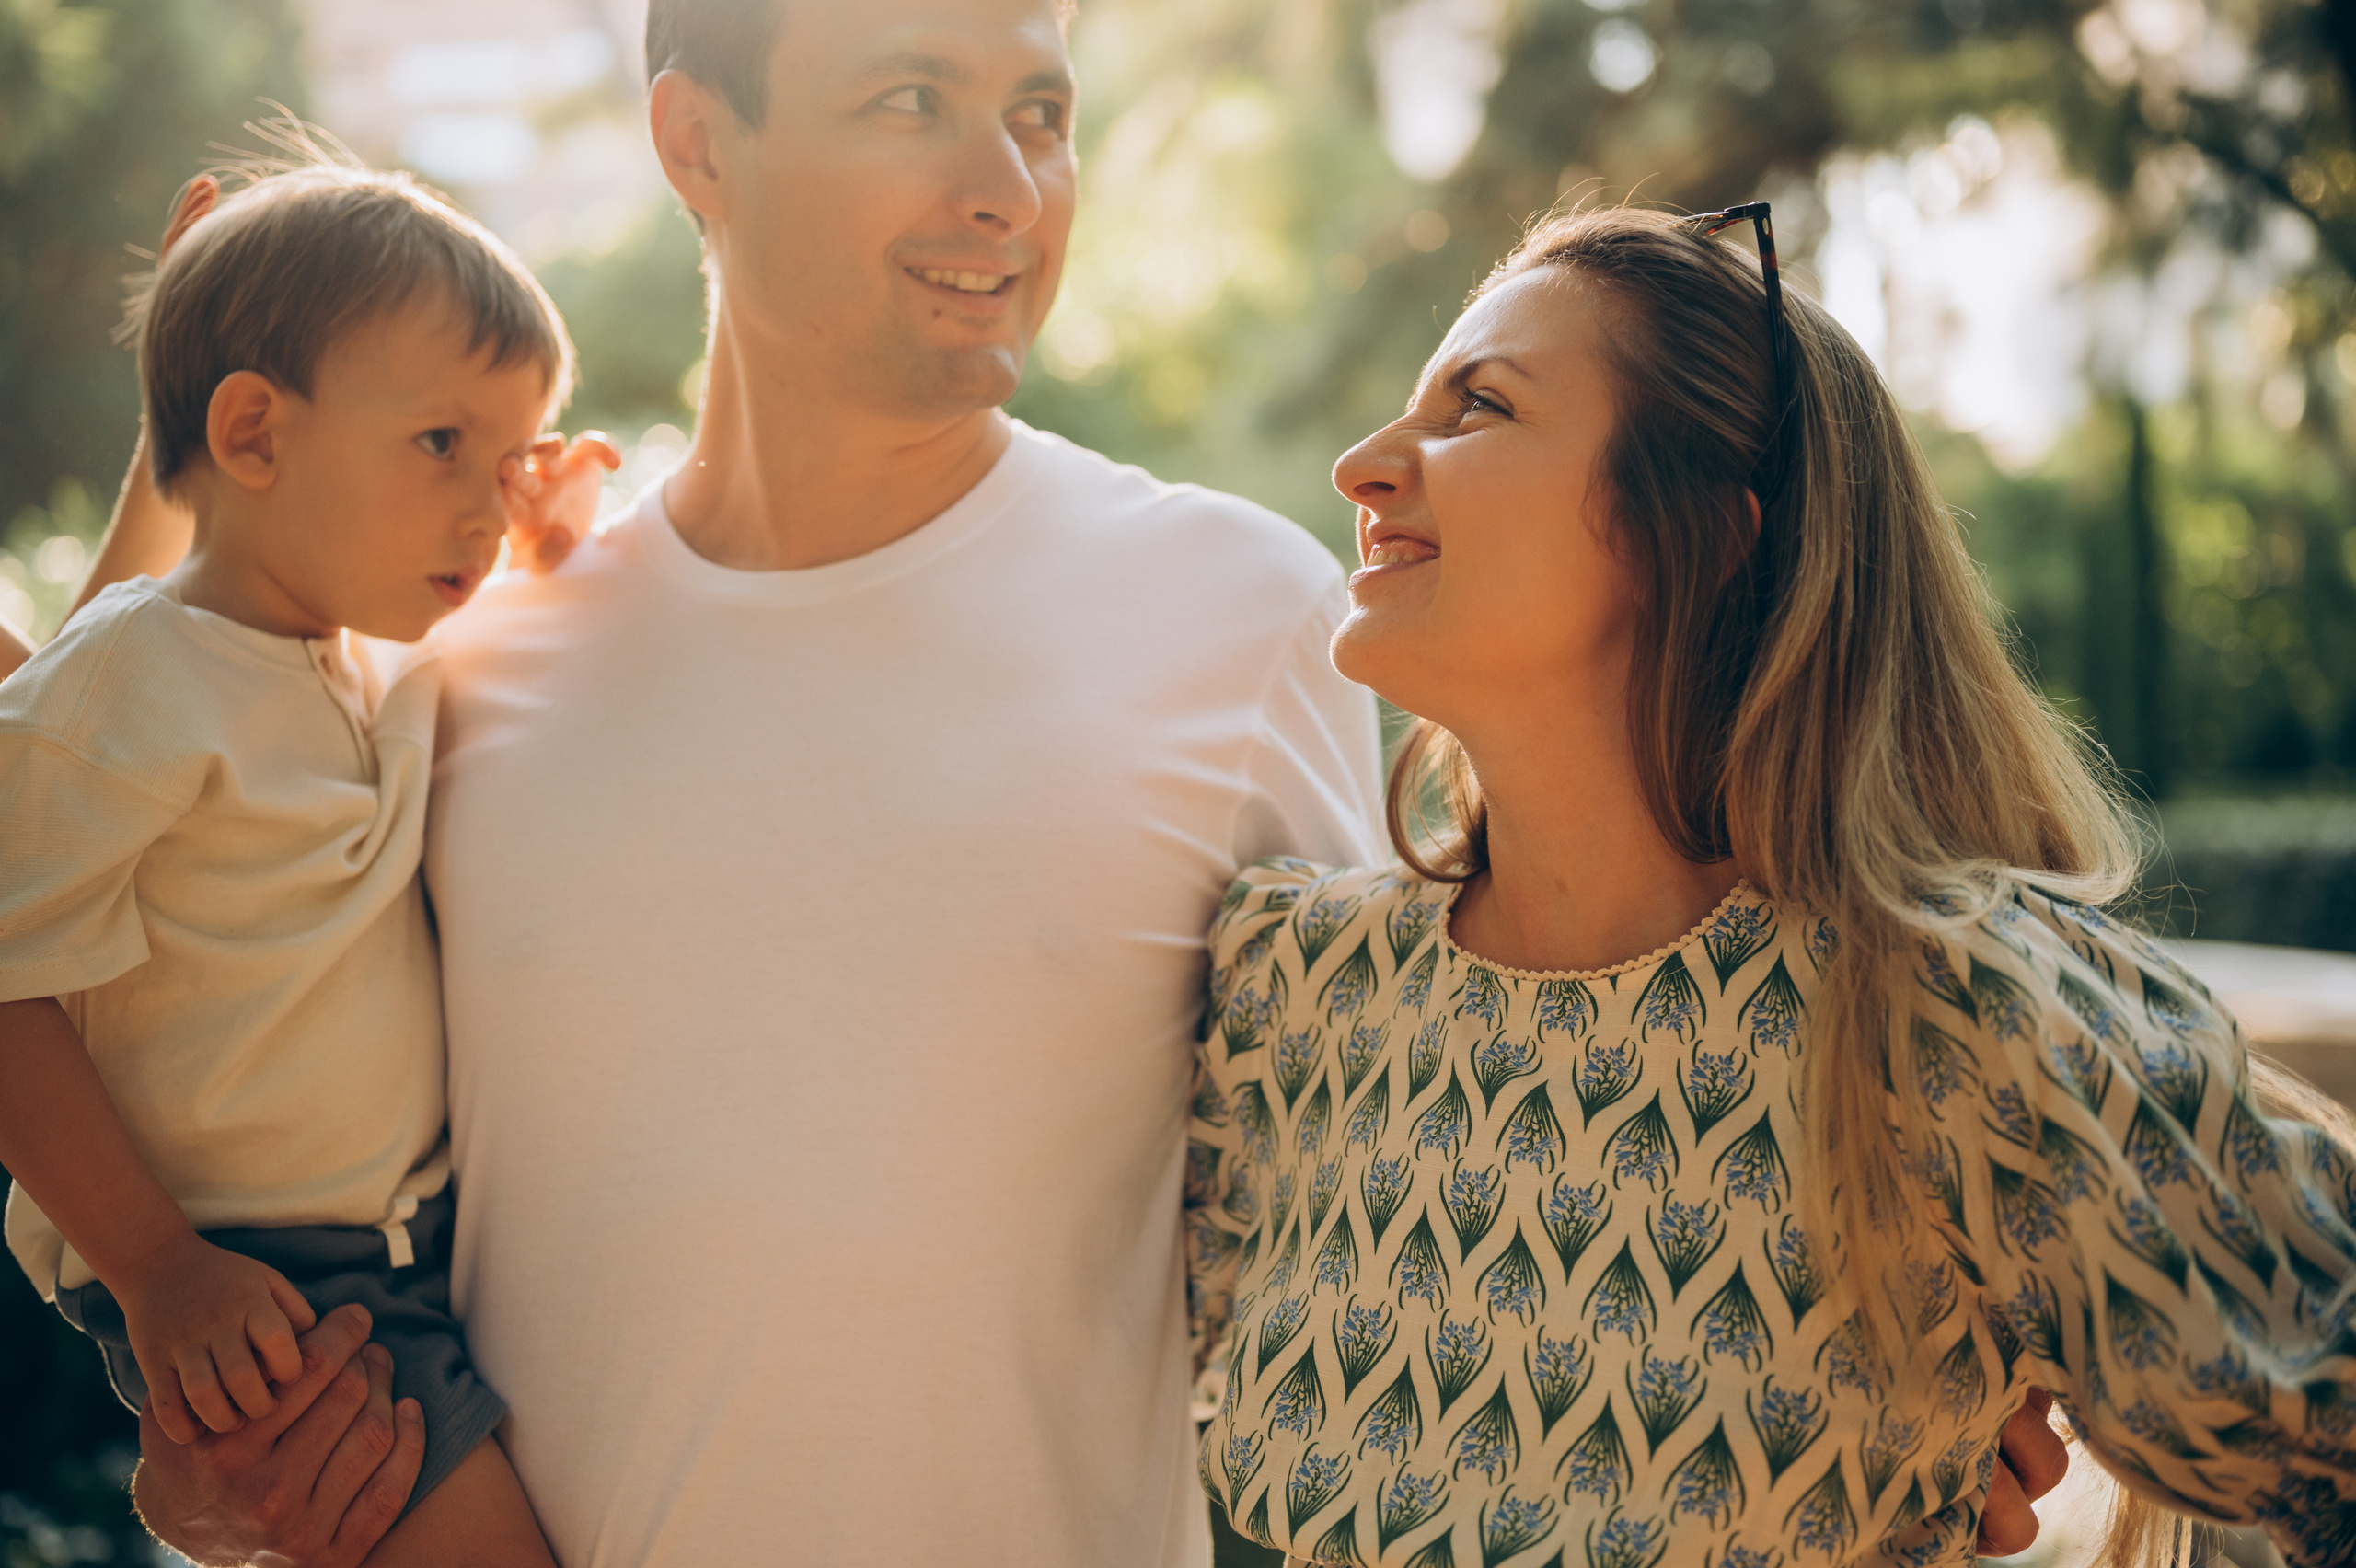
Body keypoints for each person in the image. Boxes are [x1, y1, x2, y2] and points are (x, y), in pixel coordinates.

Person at [35, 3, 2066, 1562]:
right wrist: (210, 1431)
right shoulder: (455, 648)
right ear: (694, 142)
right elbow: (178, 1030)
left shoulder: (1231, 609)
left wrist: (1836, 1364)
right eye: (909, 100)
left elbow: (1452, 1116)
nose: (1005, 185)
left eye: (1042, 108)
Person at [1184, 202, 2356, 1567]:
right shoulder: (1294, 987)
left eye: (1478, 409)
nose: (1362, 466)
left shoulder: (1945, 1011)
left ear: (1704, 533)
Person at [0, 161, 605, 1567]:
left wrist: (546, 540)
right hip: (258, 1276)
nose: (485, 503)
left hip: (398, 1241)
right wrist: (154, 1268)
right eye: (446, 444)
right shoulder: (131, 685)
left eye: (510, 458)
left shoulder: (348, 646)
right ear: (256, 434)